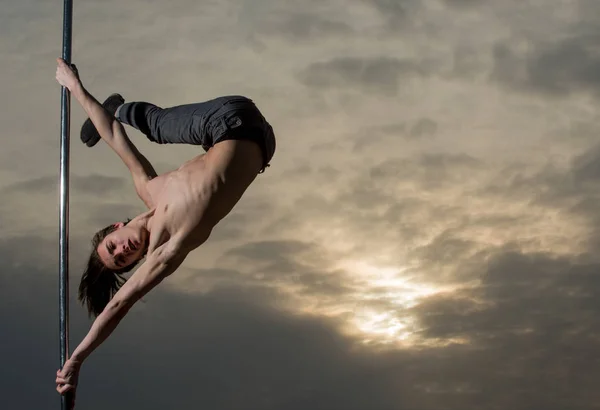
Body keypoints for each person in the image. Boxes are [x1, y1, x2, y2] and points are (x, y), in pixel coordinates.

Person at [53, 58, 276, 406]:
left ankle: (119, 109)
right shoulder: (166, 249)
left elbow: (114, 137)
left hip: (226, 121)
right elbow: (118, 305)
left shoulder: (149, 189)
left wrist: (74, 86)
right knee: (153, 128)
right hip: (259, 140)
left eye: (112, 247)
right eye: (122, 260)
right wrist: (77, 359)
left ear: (116, 226)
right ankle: (118, 110)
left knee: (153, 126)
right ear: (137, 259)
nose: (121, 251)